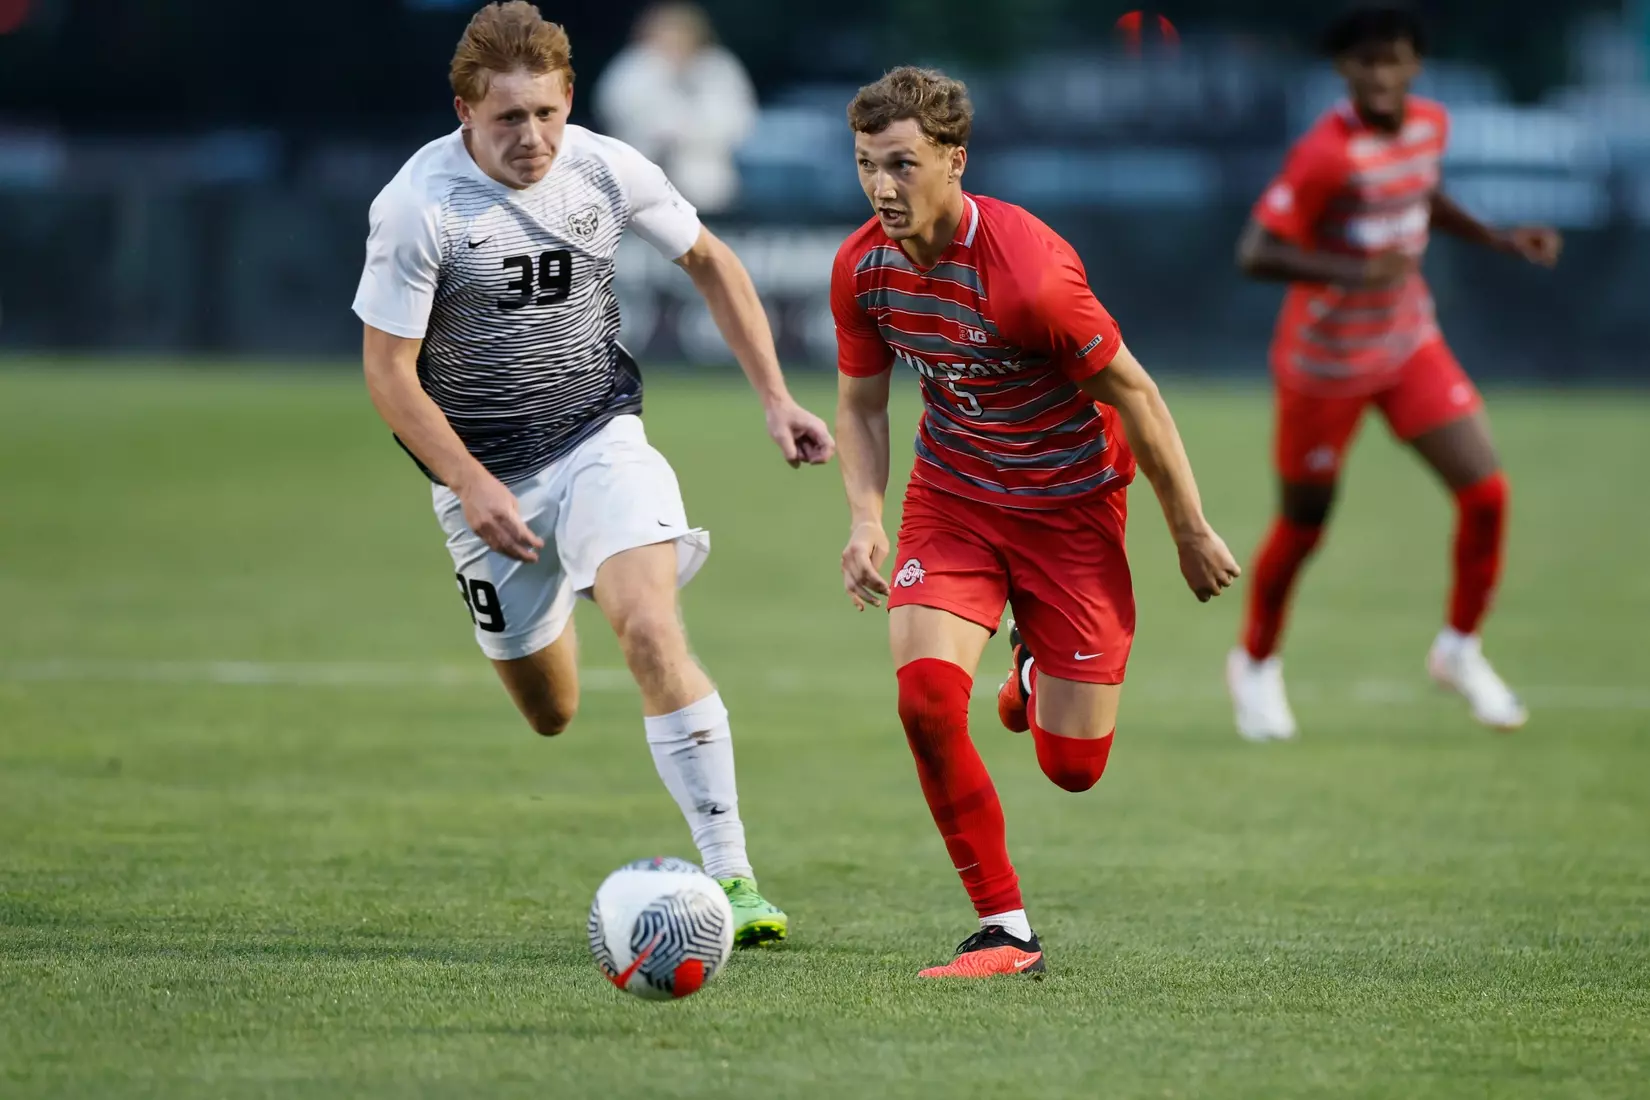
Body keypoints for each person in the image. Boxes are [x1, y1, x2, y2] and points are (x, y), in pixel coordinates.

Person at [351, 1, 833, 944]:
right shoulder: (417, 207)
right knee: (552, 712)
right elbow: (388, 374)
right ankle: (562, 586)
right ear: (464, 111)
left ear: (570, 96)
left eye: (545, 112)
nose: (531, 137)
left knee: (649, 626)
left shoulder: (608, 168)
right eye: (507, 118)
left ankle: (732, 878)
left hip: (598, 436)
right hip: (484, 480)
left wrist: (777, 398)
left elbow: (712, 262)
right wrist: (470, 483)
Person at [832, 67, 1240, 978]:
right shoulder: (862, 268)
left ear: (955, 160)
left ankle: (1029, 665)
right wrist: (865, 519)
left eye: (901, 165)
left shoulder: (1029, 276)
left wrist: (1188, 529)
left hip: (1069, 510)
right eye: (865, 165)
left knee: (1073, 768)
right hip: (956, 497)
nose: (881, 188)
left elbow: (1137, 395)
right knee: (925, 702)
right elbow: (861, 407)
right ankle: (1004, 930)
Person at [1227, 5, 1562, 741]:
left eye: (1394, 59)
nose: (1380, 74)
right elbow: (1256, 251)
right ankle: (1254, 663)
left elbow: (1420, 195)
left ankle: (1459, 649)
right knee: (1303, 528)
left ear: (1416, 65)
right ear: (1343, 70)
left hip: (1407, 344)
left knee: (1487, 493)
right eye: (1365, 62)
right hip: (1324, 366)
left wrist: (1500, 239)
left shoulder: (1431, 126)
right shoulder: (1325, 155)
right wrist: (1354, 270)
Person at [592, 2, 756, 215]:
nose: (673, 38)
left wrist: (688, 134)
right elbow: (618, 110)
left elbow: (737, 120)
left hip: (705, 177)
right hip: (640, 174)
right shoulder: (633, 68)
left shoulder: (719, 68)